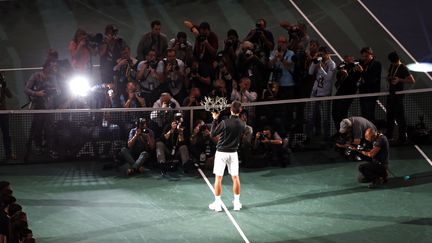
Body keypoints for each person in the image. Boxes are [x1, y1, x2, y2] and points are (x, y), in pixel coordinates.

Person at [208, 101, 246, 212]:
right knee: (235, 178)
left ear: (230, 109)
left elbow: (213, 134)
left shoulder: (224, 122)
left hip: (221, 153)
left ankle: (218, 204)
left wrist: (215, 119)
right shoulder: (243, 124)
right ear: (240, 110)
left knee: (218, 178)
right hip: (233, 153)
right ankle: (237, 203)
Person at [386, 51, 415, 143]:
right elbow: (390, 76)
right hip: (391, 94)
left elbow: (412, 80)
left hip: (398, 96)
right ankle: (389, 134)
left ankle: (402, 137)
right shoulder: (392, 66)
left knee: (400, 117)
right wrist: (390, 78)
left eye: (393, 62)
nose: (392, 63)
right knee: (389, 116)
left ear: (396, 60)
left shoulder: (403, 67)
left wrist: (399, 80)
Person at [358, 47, 382, 123]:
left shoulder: (376, 64)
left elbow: (373, 79)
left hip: (371, 93)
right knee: (364, 114)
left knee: (369, 115)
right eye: (363, 56)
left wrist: (362, 71)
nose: (365, 58)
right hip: (363, 92)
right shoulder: (363, 63)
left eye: (366, 56)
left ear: (371, 54)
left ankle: (371, 133)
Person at [0, 72, 15, 161]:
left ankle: (8, 154)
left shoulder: (3, 86)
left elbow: (10, 96)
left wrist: (5, 86)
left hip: (3, 113)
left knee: (6, 134)